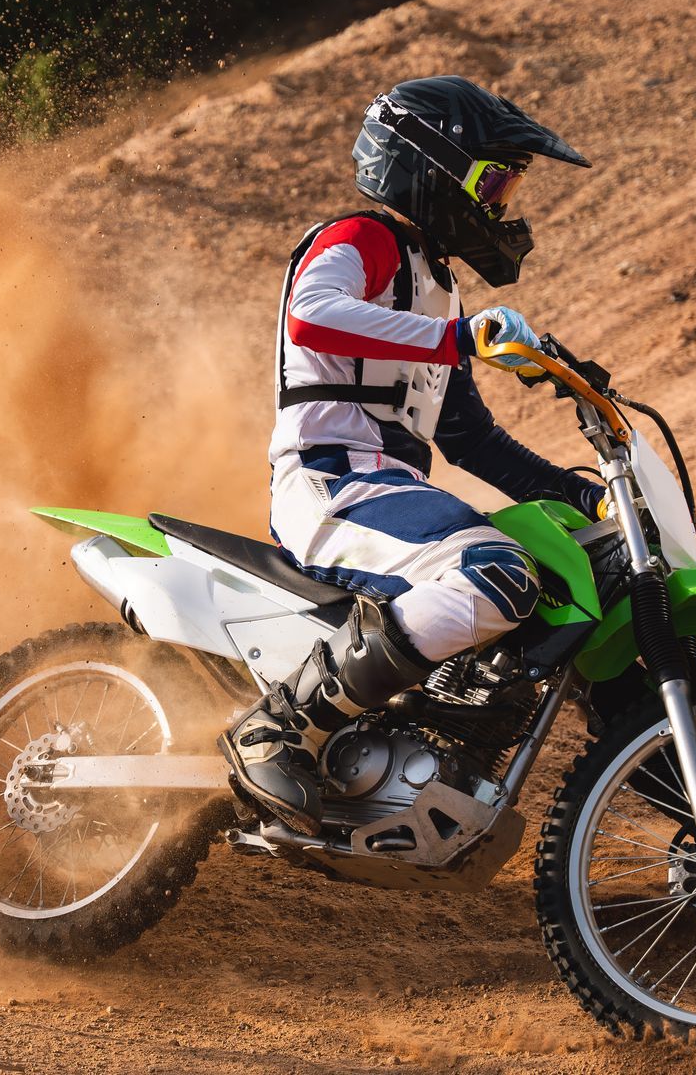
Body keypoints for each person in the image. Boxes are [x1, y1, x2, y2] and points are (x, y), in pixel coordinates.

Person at [221, 76, 609, 836]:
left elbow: (470, 440)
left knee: (565, 569)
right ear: (431, 169)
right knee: (497, 572)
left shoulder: (438, 289)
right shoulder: (364, 240)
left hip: (386, 488)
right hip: (331, 480)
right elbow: (311, 316)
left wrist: (585, 494)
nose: (501, 205)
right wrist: (456, 339)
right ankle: (279, 727)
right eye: (492, 184)